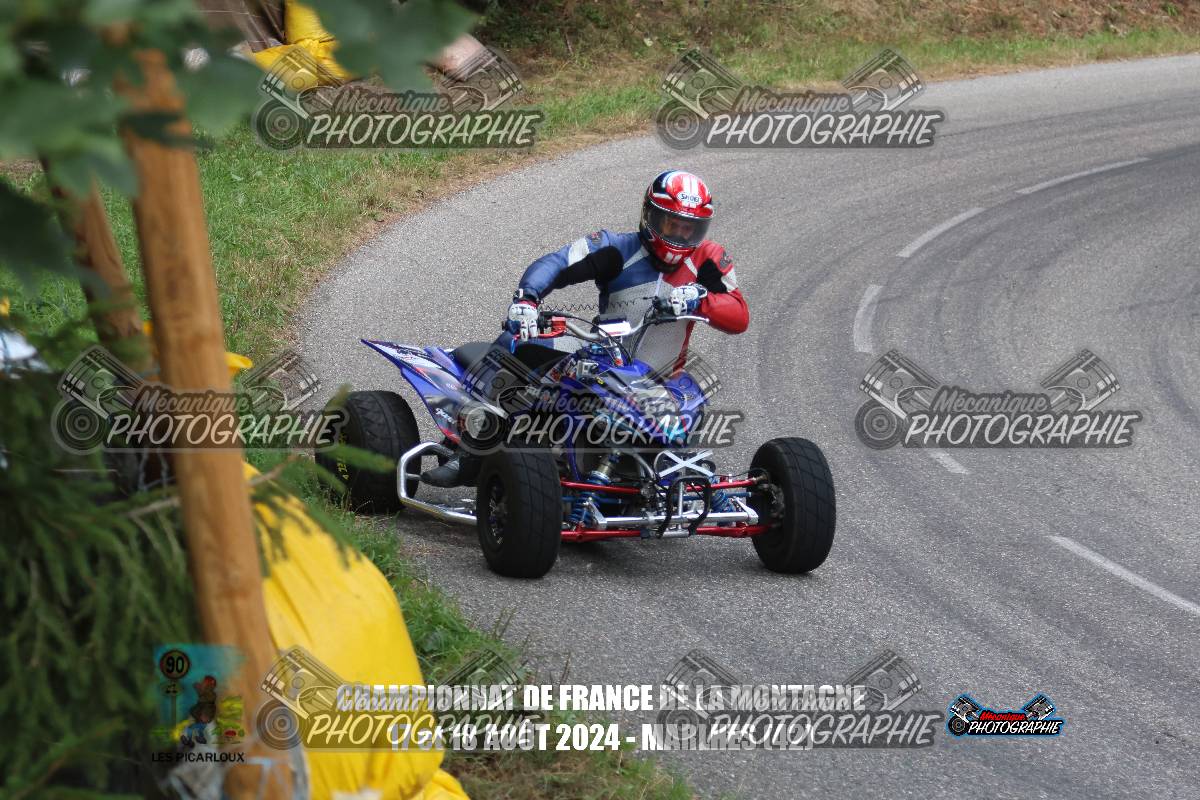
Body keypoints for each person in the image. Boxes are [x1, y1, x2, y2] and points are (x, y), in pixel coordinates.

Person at [421, 169, 749, 487]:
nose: (679, 235)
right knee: (514, 342)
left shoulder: (708, 258)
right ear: (650, 216)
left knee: (694, 401)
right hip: (605, 362)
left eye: (689, 228)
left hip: (662, 380)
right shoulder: (616, 248)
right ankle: (470, 448)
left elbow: (739, 316)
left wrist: (700, 300)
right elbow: (556, 263)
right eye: (671, 224)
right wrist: (528, 300)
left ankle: (669, 473)